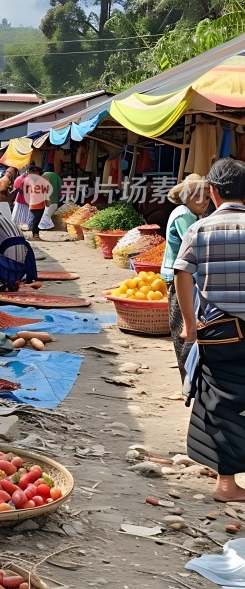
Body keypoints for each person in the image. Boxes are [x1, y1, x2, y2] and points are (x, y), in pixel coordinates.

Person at [173, 159, 245, 502]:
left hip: (219, 331)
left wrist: (189, 325)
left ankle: (226, 483)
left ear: (213, 192)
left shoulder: (200, 229)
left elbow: (182, 274)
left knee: (221, 403)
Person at [159, 173, 209, 383]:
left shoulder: (191, 214)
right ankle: (187, 380)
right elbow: (194, 244)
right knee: (184, 329)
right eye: (201, 197)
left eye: (208, 196)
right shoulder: (184, 216)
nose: (205, 202)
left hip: (187, 276)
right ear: (188, 196)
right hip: (179, 277)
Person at [22, 164, 51, 240]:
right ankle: (35, 234)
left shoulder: (42, 181)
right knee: (36, 220)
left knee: (36, 220)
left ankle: (35, 234)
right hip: (34, 204)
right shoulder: (31, 181)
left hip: (40, 204)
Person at [40, 165, 62, 231]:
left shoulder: (42, 176)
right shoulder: (57, 176)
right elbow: (60, 188)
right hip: (54, 198)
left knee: (44, 211)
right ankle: (49, 225)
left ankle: (45, 226)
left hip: (44, 198)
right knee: (52, 211)